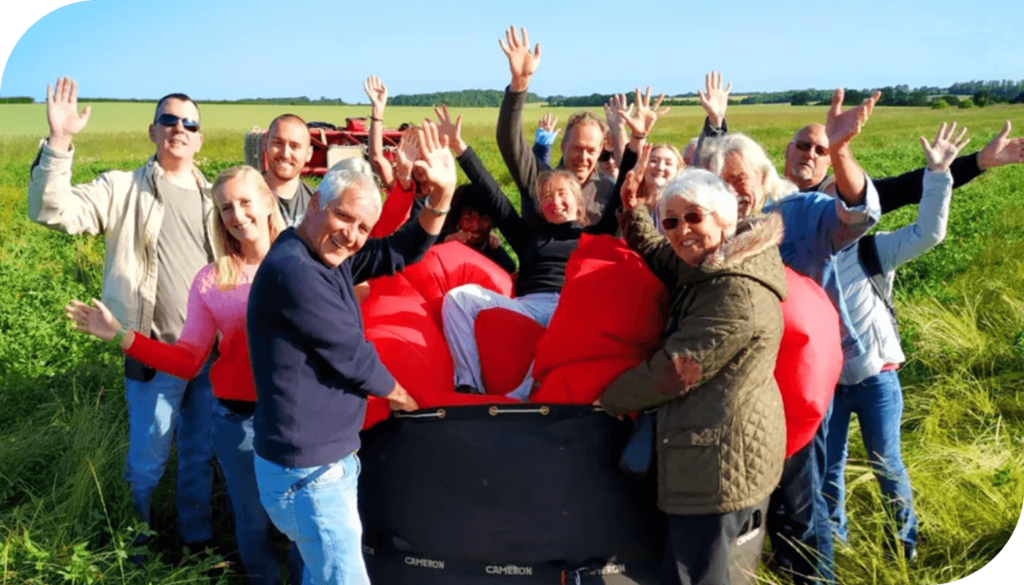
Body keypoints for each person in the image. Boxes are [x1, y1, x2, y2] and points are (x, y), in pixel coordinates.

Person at [64, 166, 301, 585]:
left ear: (268, 201)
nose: (237, 214)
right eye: (226, 207)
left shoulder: (304, 260)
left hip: (302, 419)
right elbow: (189, 359)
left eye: (245, 201)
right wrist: (121, 335)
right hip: (239, 421)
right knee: (251, 522)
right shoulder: (213, 280)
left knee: (305, 522)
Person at [246, 122, 458, 585]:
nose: (353, 236)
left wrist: (440, 200)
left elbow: (399, 251)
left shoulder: (319, 253)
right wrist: (404, 397)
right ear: (316, 202)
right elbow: (353, 356)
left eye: (363, 227)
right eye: (345, 218)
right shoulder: (296, 273)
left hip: (319, 465)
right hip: (308, 475)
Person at [698, 88, 882, 585]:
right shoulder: (703, 235)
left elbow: (857, 215)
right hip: (732, 402)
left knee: (802, 508)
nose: (732, 191)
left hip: (793, 396)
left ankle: (812, 578)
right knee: (742, 506)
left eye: (741, 179)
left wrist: (840, 153)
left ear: (763, 181)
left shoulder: (797, 215)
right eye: (720, 182)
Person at [28, 77, 217, 549]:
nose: (179, 128)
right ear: (152, 131)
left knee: (199, 456)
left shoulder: (216, 198)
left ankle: (196, 543)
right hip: (153, 352)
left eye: (188, 122)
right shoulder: (122, 189)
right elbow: (51, 209)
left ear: (199, 138)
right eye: (169, 120)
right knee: (148, 460)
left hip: (213, 358)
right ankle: (136, 548)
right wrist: (60, 141)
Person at [599, 168, 787, 585]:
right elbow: (665, 254)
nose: (682, 230)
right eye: (672, 221)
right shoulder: (713, 263)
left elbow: (676, 371)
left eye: (693, 217)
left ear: (724, 218)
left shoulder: (734, 291)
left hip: (717, 459)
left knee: (695, 575)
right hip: (715, 443)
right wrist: (635, 213)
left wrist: (604, 399)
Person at [438, 79, 667, 400]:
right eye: (549, 196)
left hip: (573, 307)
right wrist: (461, 149)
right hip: (529, 306)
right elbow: (492, 192)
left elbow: (621, 193)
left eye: (564, 196)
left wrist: (637, 139)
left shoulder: (594, 235)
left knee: (574, 313)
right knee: (458, 299)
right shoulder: (526, 234)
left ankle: (521, 394)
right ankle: (468, 384)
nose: (556, 202)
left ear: (578, 203)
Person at [824, 123, 970, 562]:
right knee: (827, 471)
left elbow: (928, 234)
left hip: (876, 378)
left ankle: (902, 549)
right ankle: (835, 548)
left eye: (847, 199)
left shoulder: (874, 249)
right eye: (831, 200)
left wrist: (940, 175)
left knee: (887, 465)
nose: (839, 207)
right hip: (827, 383)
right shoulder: (803, 254)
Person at [496, 26, 617, 227]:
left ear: (600, 151)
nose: (584, 157)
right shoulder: (539, 178)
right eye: (577, 148)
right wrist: (519, 84)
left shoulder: (609, 192)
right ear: (562, 146)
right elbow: (509, 141)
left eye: (591, 150)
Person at [263, 114, 315, 227]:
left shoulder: (317, 205)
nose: (285, 154)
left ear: (309, 154)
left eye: (294, 146)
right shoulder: (246, 198)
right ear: (265, 144)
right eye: (278, 143)